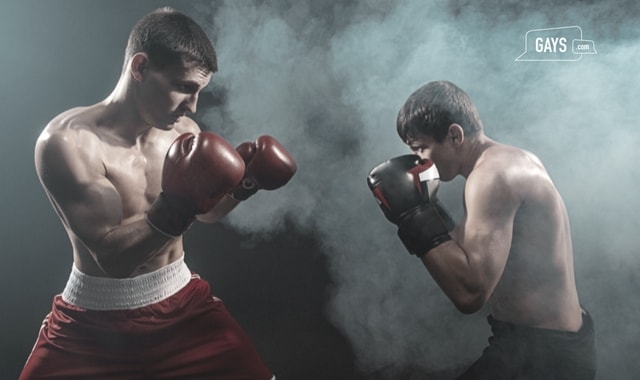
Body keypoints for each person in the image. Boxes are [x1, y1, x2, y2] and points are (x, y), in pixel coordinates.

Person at [20, 7, 296, 380]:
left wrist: (247, 185)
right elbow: (114, 261)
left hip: (182, 306)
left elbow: (205, 212)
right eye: (184, 88)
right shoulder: (67, 143)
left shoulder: (182, 132)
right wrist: (177, 207)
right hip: (91, 324)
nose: (193, 106)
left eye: (199, 92)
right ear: (140, 68)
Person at [367, 80, 596, 379]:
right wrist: (429, 210)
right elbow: (465, 253)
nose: (420, 160)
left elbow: (470, 293)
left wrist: (413, 215)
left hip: (542, 355)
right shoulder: (510, 160)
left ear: (454, 134)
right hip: (543, 345)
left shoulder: (493, 177)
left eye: (421, 148)